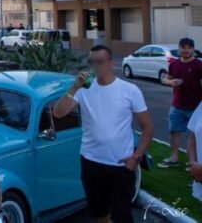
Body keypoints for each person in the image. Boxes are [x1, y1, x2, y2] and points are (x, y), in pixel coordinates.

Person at [53, 45, 154, 223]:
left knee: (122, 215)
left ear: (111, 63)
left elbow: (147, 128)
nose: (95, 66)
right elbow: (58, 113)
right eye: (91, 62)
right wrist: (74, 88)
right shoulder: (84, 89)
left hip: (120, 165)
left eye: (100, 62)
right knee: (99, 213)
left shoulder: (129, 90)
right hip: (91, 162)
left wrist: (136, 157)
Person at [159, 37, 202, 168]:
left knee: (195, 135)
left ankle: (193, 163)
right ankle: (174, 158)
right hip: (177, 105)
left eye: (189, 48)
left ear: (193, 49)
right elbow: (166, 79)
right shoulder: (174, 64)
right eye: (183, 47)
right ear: (179, 49)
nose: (186, 50)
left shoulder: (199, 65)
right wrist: (171, 82)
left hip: (196, 107)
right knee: (174, 131)